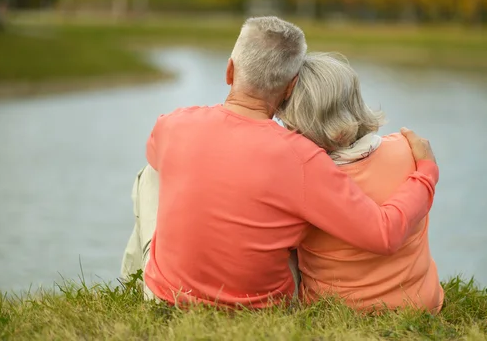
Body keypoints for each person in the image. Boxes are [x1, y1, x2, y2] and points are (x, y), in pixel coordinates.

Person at [121, 16, 439, 308]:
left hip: (169, 297)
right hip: (258, 310)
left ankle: (131, 286)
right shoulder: (302, 158)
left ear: (229, 70)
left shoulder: (172, 124)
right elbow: (382, 234)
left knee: (151, 173)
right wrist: (426, 171)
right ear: (289, 88)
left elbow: (166, 163)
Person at [276, 52, 443, 312]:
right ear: (354, 99)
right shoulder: (410, 150)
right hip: (421, 303)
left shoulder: (299, 178)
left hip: (335, 309)